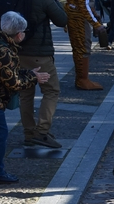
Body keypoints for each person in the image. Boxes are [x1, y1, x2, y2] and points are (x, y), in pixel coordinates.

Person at [0, 11, 50, 183]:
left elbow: (7, 73)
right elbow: (13, 82)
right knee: (0, 135)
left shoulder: (1, 43)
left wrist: (28, 73)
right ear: (19, 34)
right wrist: (34, 77)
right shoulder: (4, 51)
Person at [17, 0, 68, 149]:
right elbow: (62, 19)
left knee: (25, 94)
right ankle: (42, 131)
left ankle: (29, 133)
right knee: (51, 91)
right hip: (40, 53)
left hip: (19, 51)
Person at [64, 0, 107, 90]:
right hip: (78, 17)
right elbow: (83, 5)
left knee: (79, 47)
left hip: (75, 13)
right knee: (82, 47)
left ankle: (81, 79)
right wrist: (96, 24)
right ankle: (82, 80)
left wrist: (93, 13)